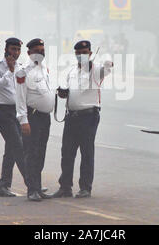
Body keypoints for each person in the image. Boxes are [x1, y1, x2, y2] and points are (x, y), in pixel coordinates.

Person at [52, 40, 113, 198]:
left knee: (86, 153)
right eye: (78, 53)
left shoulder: (95, 70)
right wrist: (62, 93)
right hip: (71, 117)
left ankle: (85, 188)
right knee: (67, 153)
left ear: (90, 53)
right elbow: (68, 91)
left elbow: (108, 67)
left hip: (88, 116)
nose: (81, 55)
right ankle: (65, 187)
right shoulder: (72, 71)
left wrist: (105, 60)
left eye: (84, 53)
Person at [0, 37, 29, 197]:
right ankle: (31, 182)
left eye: (18, 50)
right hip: (4, 113)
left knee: (11, 150)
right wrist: (9, 72)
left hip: (18, 113)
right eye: (13, 49)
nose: (16, 53)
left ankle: (3, 186)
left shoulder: (21, 66)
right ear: (6, 50)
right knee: (18, 146)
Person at [15, 38, 55, 202]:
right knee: (31, 154)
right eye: (37, 51)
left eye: (43, 50)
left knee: (41, 153)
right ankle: (32, 190)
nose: (41, 53)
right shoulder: (23, 72)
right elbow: (20, 98)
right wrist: (24, 120)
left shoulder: (44, 68)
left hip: (45, 117)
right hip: (32, 118)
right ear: (29, 53)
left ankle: (38, 187)